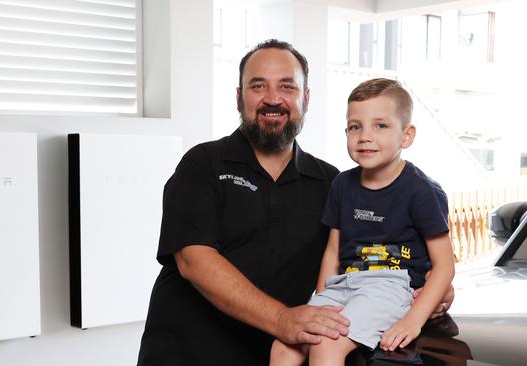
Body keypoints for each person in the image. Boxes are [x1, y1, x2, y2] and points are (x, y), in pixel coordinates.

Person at [137, 40, 453, 366]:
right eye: (258, 86)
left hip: (281, 354)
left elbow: (368, 256)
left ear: (305, 98)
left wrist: (425, 295)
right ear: (238, 97)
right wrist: (282, 320)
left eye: (287, 86)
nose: (273, 98)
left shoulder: (334, 183)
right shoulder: (203, 164)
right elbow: (194, 260)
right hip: (188, 354)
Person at [270, 78, 455, 366]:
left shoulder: (421, 191)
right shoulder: (342, 184)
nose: (365, 136)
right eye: (355, 126)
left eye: (380, 125)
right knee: (285, 345)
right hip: (343, 284)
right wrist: (322, 300)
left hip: (391, 286)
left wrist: (413, 322)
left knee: (325, 346)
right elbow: (333, 250)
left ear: (406, 136)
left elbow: (444, 265)